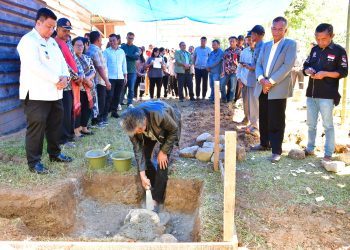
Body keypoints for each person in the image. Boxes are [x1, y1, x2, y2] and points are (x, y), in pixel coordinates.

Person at [17, 8, 72, 174]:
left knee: (55, 124)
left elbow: (62, 62)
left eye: (53, 27)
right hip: (36, 94)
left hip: (55, 93)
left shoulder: (52, 42)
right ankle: (34, 163)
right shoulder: (28, 41)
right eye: (48, 26)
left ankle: (55, 154)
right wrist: (57, 79)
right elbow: (34, 66)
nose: (51, 30)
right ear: (38, 23)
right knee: (37, 128)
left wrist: (66, 77)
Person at [120, 101, 181, 212]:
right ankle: (153, 183)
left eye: (139, 130)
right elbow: (138, 150)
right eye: (135, 132)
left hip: (168, 131)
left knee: (162, 162)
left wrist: (163, 151)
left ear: (144, 120)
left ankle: (157, 198)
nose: (137, 133)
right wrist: (142, 175)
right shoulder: (132, 127)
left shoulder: (159, 115)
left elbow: (174, 130)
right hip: (149, 130)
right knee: (145, 157)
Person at [252, 16, 297, 163]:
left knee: (276, 119)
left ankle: (276, 150)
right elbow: (258, 64)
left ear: (285, 30)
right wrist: (261, 80)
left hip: (277, 88)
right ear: (271, 28)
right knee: (263, 116)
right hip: (262, 86)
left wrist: (269, 82)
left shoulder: (290, 44)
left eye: (280, 29)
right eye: (274, 28)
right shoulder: (265, 45)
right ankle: (264, 143)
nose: (276, 32)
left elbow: (287, 66)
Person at [303, 23, 348, 161]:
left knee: (327, 125)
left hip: (327, 95)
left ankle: (328, 153)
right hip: (311, 93)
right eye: (318, 38)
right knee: (311, 124)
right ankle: (310, 148)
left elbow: (343, 72)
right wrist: (308, 70)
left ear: (332, 36)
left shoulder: (339, 51)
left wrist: (325, 74)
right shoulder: (314, 49)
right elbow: (306, 66)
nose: (320, 42)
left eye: (323, 39)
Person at [55, 17, 85, 144]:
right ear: (57, 29)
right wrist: (76, 77)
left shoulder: (68, 43)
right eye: (64, 30)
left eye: (68, 31)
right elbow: (64, 64)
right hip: (64, 84)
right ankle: (64, 138)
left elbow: (75, 60)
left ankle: (70, 135)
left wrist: (81, 73)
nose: (67, 33)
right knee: (65, 112)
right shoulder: (54, 43)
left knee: (71, 110)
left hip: (73, 83)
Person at [86, 31, 111, 127]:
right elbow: (99, 67)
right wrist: (107, 81)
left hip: (96, 80)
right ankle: (97, 121)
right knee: (100, 101)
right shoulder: (96, 50)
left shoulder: (90, 49)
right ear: (97, 39)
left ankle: (97, 119)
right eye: (101, 37)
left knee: (98, 101)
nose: (102, 39)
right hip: (99, 80)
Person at [243, 25, 265, 136]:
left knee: (255, 103)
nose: (251, 37)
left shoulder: (262, 47)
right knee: (252, 103)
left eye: (251, 34)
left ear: (256, 34)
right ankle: (253, 123)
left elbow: (260, 65)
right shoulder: (257, 46)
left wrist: (251, 67)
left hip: (256, 79)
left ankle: (256, 126)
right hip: (252, 79)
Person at [72, 37, 95, 136]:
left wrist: (88, 79)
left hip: (88, 88)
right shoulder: (72, 59)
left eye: (82, 45)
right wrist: (86, 80)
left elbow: (93, 70)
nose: (80, 47)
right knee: (78, 109)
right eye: (77, 45)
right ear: (72, 46)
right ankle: (76, 130)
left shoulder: (87, 58)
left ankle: (84, 127)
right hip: (77, 87)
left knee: (87, 107)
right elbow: (74, 73)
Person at [237, 31, 258, 132]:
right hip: (245, 81)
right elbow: (240, 66)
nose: (250, 40)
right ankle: (247, 119)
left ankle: (254, 123)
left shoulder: (260, 50)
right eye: (248, 39)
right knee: (246, 102)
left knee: (255, 103)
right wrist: (239, 79)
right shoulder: (244, 52)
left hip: (256, 82)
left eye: (251, 38)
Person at [104, 34, 127, 119]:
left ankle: (114, 111)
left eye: (113, 40)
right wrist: (106, 79)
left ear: (117, 40)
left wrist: (125, 76)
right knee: (109, 96)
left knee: (117, 96)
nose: (112, 42)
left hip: (120, 77)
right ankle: (105, 112)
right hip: (110, 77)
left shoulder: (122, 51)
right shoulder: (106, 52)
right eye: (110, 40)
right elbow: (104, 66)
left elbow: (124, 64)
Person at [121, 32, 140, 108]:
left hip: (132, 71)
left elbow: (136, 57)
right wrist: (131, 56)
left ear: (133, 38)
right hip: (123, 71)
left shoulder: (136, 48)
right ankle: (120, 102)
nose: (130, 39)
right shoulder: (122, 47)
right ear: (126, 37)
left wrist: (127, 55)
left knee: (131, 88)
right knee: (122, 88)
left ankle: (130, 103)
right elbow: (122, 57)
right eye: (129, 38)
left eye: (132, 38)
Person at [220, 36, 241, 103]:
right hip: (226, 72)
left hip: (234, 72)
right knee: (222, 85)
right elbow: (223, 62)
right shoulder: (226, 51)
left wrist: (237, 64)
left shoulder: (239, 51)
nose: (231, 43)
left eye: (233, 41)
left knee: (232, 88)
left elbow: (241, 63)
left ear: (236, 42)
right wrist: (223, 71)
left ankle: (230, 101)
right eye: (230, 41)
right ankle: (224, 99)